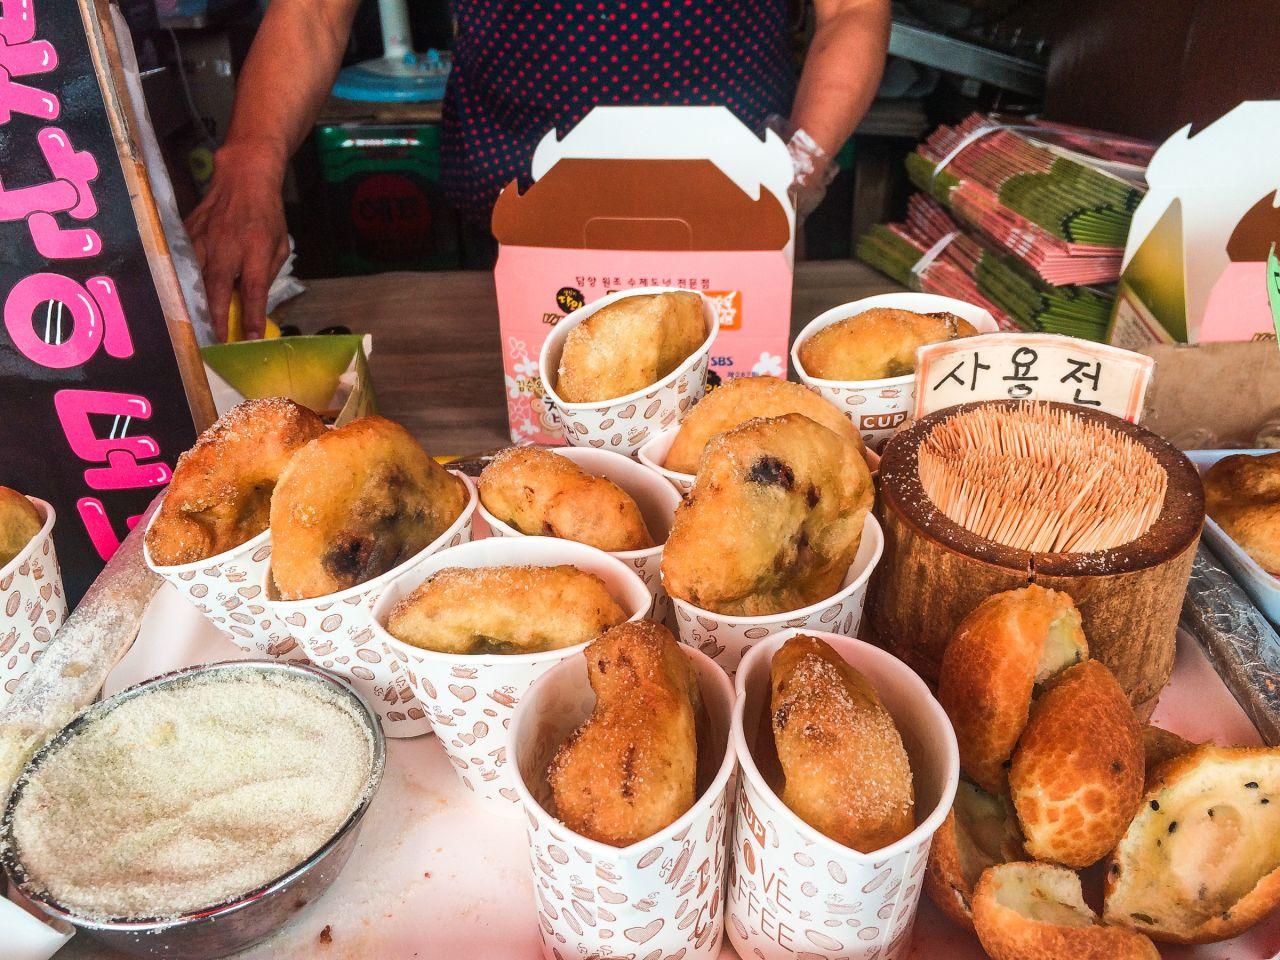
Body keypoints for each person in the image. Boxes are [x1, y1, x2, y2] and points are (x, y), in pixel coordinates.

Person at [186, 0, 892, 339]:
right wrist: (251, 157)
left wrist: (802, 156)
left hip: (736, 209)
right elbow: (312, 12)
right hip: (518, 210)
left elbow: (852, 12)